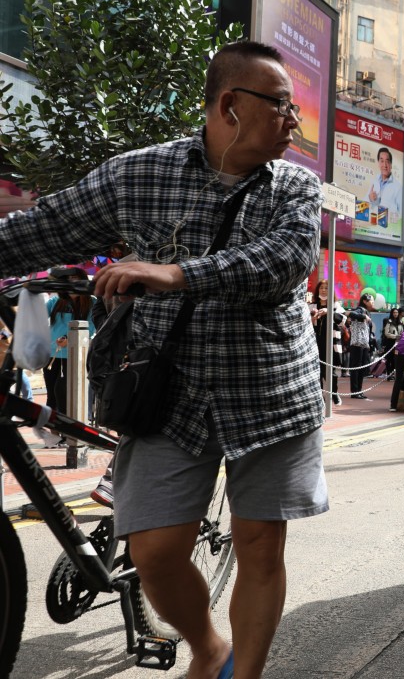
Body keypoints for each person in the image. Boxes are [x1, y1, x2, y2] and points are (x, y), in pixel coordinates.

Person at [0, 41, 330, 678]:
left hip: (272, 395)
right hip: (164, 393)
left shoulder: (296, 187)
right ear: (230, 106)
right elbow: (44, 229)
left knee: (262, 544)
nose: (293, 122)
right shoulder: (137, 174)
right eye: (282, 107)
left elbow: (283, 262)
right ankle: (209, 645)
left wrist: (177, 274)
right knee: (153, 552)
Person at [44, 267, 96, 415]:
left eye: (76, 279)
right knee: (52, 395)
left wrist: (68, 339)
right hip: (52, 356)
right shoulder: (55, 301)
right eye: (69, 279)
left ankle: (69, 431)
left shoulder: (92, 303)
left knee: (71, 396)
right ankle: (52, 432)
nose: (72, 282)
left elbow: (90, 328)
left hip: (75, 357)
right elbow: (38, 318)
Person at [312, 279, 344, 405]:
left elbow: (343, 320)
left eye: (326, 288)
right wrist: (312, 317)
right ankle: (320, 396)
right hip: (315, 343)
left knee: (331, 371)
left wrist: (328, 312)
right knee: (317, 371)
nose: (324, 290)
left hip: (331, 343)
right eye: (321, 288)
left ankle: (334, 394)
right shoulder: (312, 306)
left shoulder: (336, 305)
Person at [348, 292, 376, 399]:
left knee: (362, 367)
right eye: (371, 300)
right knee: (356, 367)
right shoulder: (360, 309)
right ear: (365, 301)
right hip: (357, 343)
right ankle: (354, 391)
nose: (373, 302)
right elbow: (351, 314)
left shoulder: (367, 312)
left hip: (364, 343)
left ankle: (359, 390)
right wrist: (363, 316)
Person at [366, 147, 401, 225]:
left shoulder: (398, 187)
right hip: (371, 227)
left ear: (391, 165)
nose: (384, 165)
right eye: (382, 161)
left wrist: (390, 218)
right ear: (378, 163)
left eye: (387, 162)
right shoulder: (374, 182)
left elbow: (401, 214)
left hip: (388, 231)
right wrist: (370, 199)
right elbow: (364, 206)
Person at [381, 307, 403, 379]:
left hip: (398, 343)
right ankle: (389, 374)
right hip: (390, 342)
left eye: (397, 312)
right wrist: (395, 336)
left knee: (395, 358)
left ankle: (393, 374)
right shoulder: (389, 322)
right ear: (391, 313)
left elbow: (402, 332)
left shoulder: (400, 322)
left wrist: (400, 337)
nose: (395, 314)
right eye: (394, 312)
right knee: (389, 358)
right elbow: (386, 333)